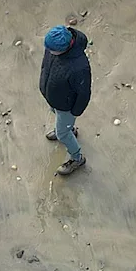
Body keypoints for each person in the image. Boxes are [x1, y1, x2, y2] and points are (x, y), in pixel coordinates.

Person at [39, 25, 91, 177]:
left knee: (63, 132)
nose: (48, 52)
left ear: (65, 48)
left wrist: (75, 112)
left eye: (51, 50)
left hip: (66, 106)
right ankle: (67, 129)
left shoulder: (80, 67)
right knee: (58, 118)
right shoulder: (53, 46)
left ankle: (77, 158)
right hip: (55, 99)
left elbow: (84, 93)